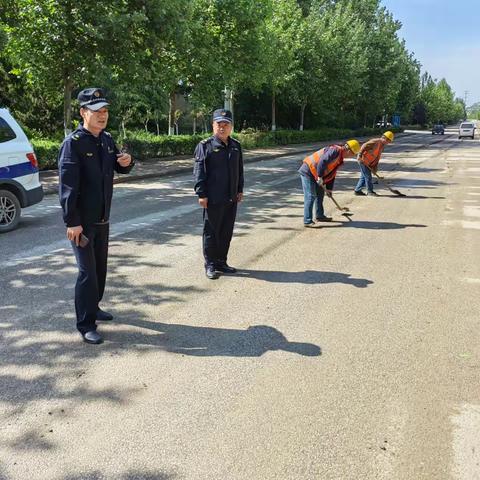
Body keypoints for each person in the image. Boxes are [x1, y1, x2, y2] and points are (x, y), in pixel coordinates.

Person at [58, 88, 134, 344]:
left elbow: (118, 168)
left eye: (105, 111)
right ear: (83, 113)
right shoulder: (74, 144)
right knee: (87, 273)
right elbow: (68, 187)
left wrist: (127, 162)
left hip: (103, 218)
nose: (103, 116)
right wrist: (72, 222)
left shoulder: (106, 140)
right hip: (82, 222)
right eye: (97, 111)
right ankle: (85, 323)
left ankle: (95, 306)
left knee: (100, 270)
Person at [193, 109, 244, 280]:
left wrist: (239, 190)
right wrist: (201, 194)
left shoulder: (236, 146)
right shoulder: (205, 146)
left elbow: (240, 171)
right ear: (213, 125)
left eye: (226, 124)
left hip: (231, 197)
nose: (222, 128)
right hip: (213, 198)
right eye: (219, 124)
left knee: (226, 231)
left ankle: (222, 261)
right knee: (211, 231)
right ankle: (210, 264)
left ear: (231, 126)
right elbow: (199, 172)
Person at [298, 140, 360, 226]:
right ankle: (307, 221)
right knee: (310, 196)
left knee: (320, 194)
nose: (351, 156)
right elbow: (322, 161)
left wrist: (329, 189)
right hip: (308, 171)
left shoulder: (340, 158)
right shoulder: (335, 150)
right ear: (349, 150)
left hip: (317, 173)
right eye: (352, 154)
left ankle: (320, 216)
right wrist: (319, 176)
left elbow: (331, 174)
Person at [354, 131, 394, 196]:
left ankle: (357, 190)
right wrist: (359, 155)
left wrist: (374, 168)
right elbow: (364, 145)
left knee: (363, 177)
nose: (388, 143)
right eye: (389, 141)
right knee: (368, 177)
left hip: (369, 163)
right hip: (363, 160)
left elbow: (377, 157)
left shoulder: (382, 145)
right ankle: (370, 192)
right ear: (385, 138)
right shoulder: (376, 141)